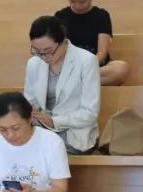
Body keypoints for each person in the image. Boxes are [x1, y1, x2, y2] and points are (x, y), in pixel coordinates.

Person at [23, 16, 100, 154]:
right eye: (37, 51)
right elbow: (30, 102)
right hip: (41, 128)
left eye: (48, 51)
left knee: (44, 153)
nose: (43, 56)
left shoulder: (86, 60)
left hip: (73, 132)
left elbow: (90, 113)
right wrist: (32, 113)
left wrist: (54, 121)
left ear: (63, 41)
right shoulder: (34, 63)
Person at [54, 0, 129, 86]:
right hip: (69, 68)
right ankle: (79, 82)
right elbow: (57, 50)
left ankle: (75, 83)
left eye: (83, 2)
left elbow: (102, 53)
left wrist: (84, 68)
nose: (77, 6)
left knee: (121, 69)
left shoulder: (101, 16)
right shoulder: (60, 16)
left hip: (95, 67)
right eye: (72, 1)